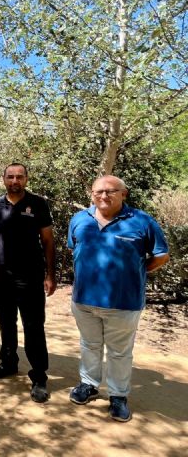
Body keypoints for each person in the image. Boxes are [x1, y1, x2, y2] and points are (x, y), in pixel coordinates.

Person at [67, 175, 169, 422]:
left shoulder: (142, 221)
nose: (104, 196)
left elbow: (161, 255)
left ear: (124, 193)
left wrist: (138, 270)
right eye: (98, 191)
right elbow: (74, 248)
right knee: (89, 345)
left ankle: (118, 396)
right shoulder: (80, 219)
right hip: (84, 299)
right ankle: (89, 385)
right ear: (91, 194)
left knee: (119, 352)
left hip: (124, 302)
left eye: (110, 191)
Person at [0, 163, 56, 403]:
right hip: (1, 276)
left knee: (33, 326)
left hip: (30, 277)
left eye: (19, 177)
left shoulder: (38, 204)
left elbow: (48, 241)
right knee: (6, 322)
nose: (15, 180)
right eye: (10, 177)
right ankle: (9, 363)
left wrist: (51, 274)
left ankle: (39, 375)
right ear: (3, 179)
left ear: (26, 179)